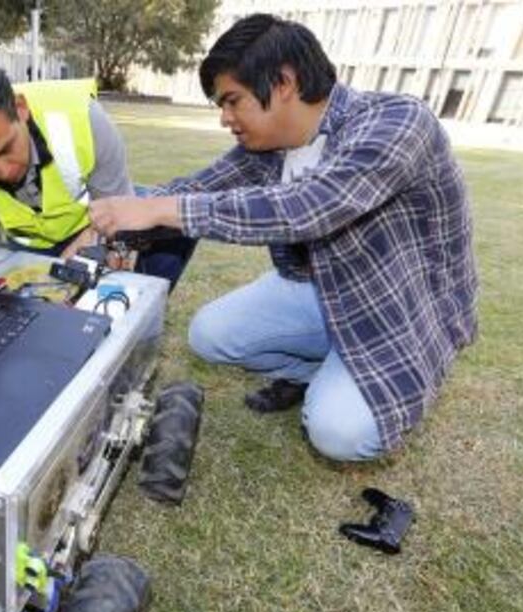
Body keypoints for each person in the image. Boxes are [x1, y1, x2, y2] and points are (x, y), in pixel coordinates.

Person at [88, 14, 478, 461]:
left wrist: (159, 209)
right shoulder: (267, 148)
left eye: (232, 100)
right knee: (210, 336)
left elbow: (309, 207)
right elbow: (196, 189)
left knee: (337, 433)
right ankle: (318, 369)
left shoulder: (398, 122)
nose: (224, 118)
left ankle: (366, 383)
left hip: (399, 313)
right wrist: (115, 214)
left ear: (285, 81)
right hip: (318, 291)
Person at [0, 57, 195, 287]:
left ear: (21, 109)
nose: (2, 171)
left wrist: (101, 244)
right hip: (25, 250)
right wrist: (36, 281)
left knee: (173, 218)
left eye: (5, 149)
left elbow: (121, 216)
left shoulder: (84, 120)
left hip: (91, 228)